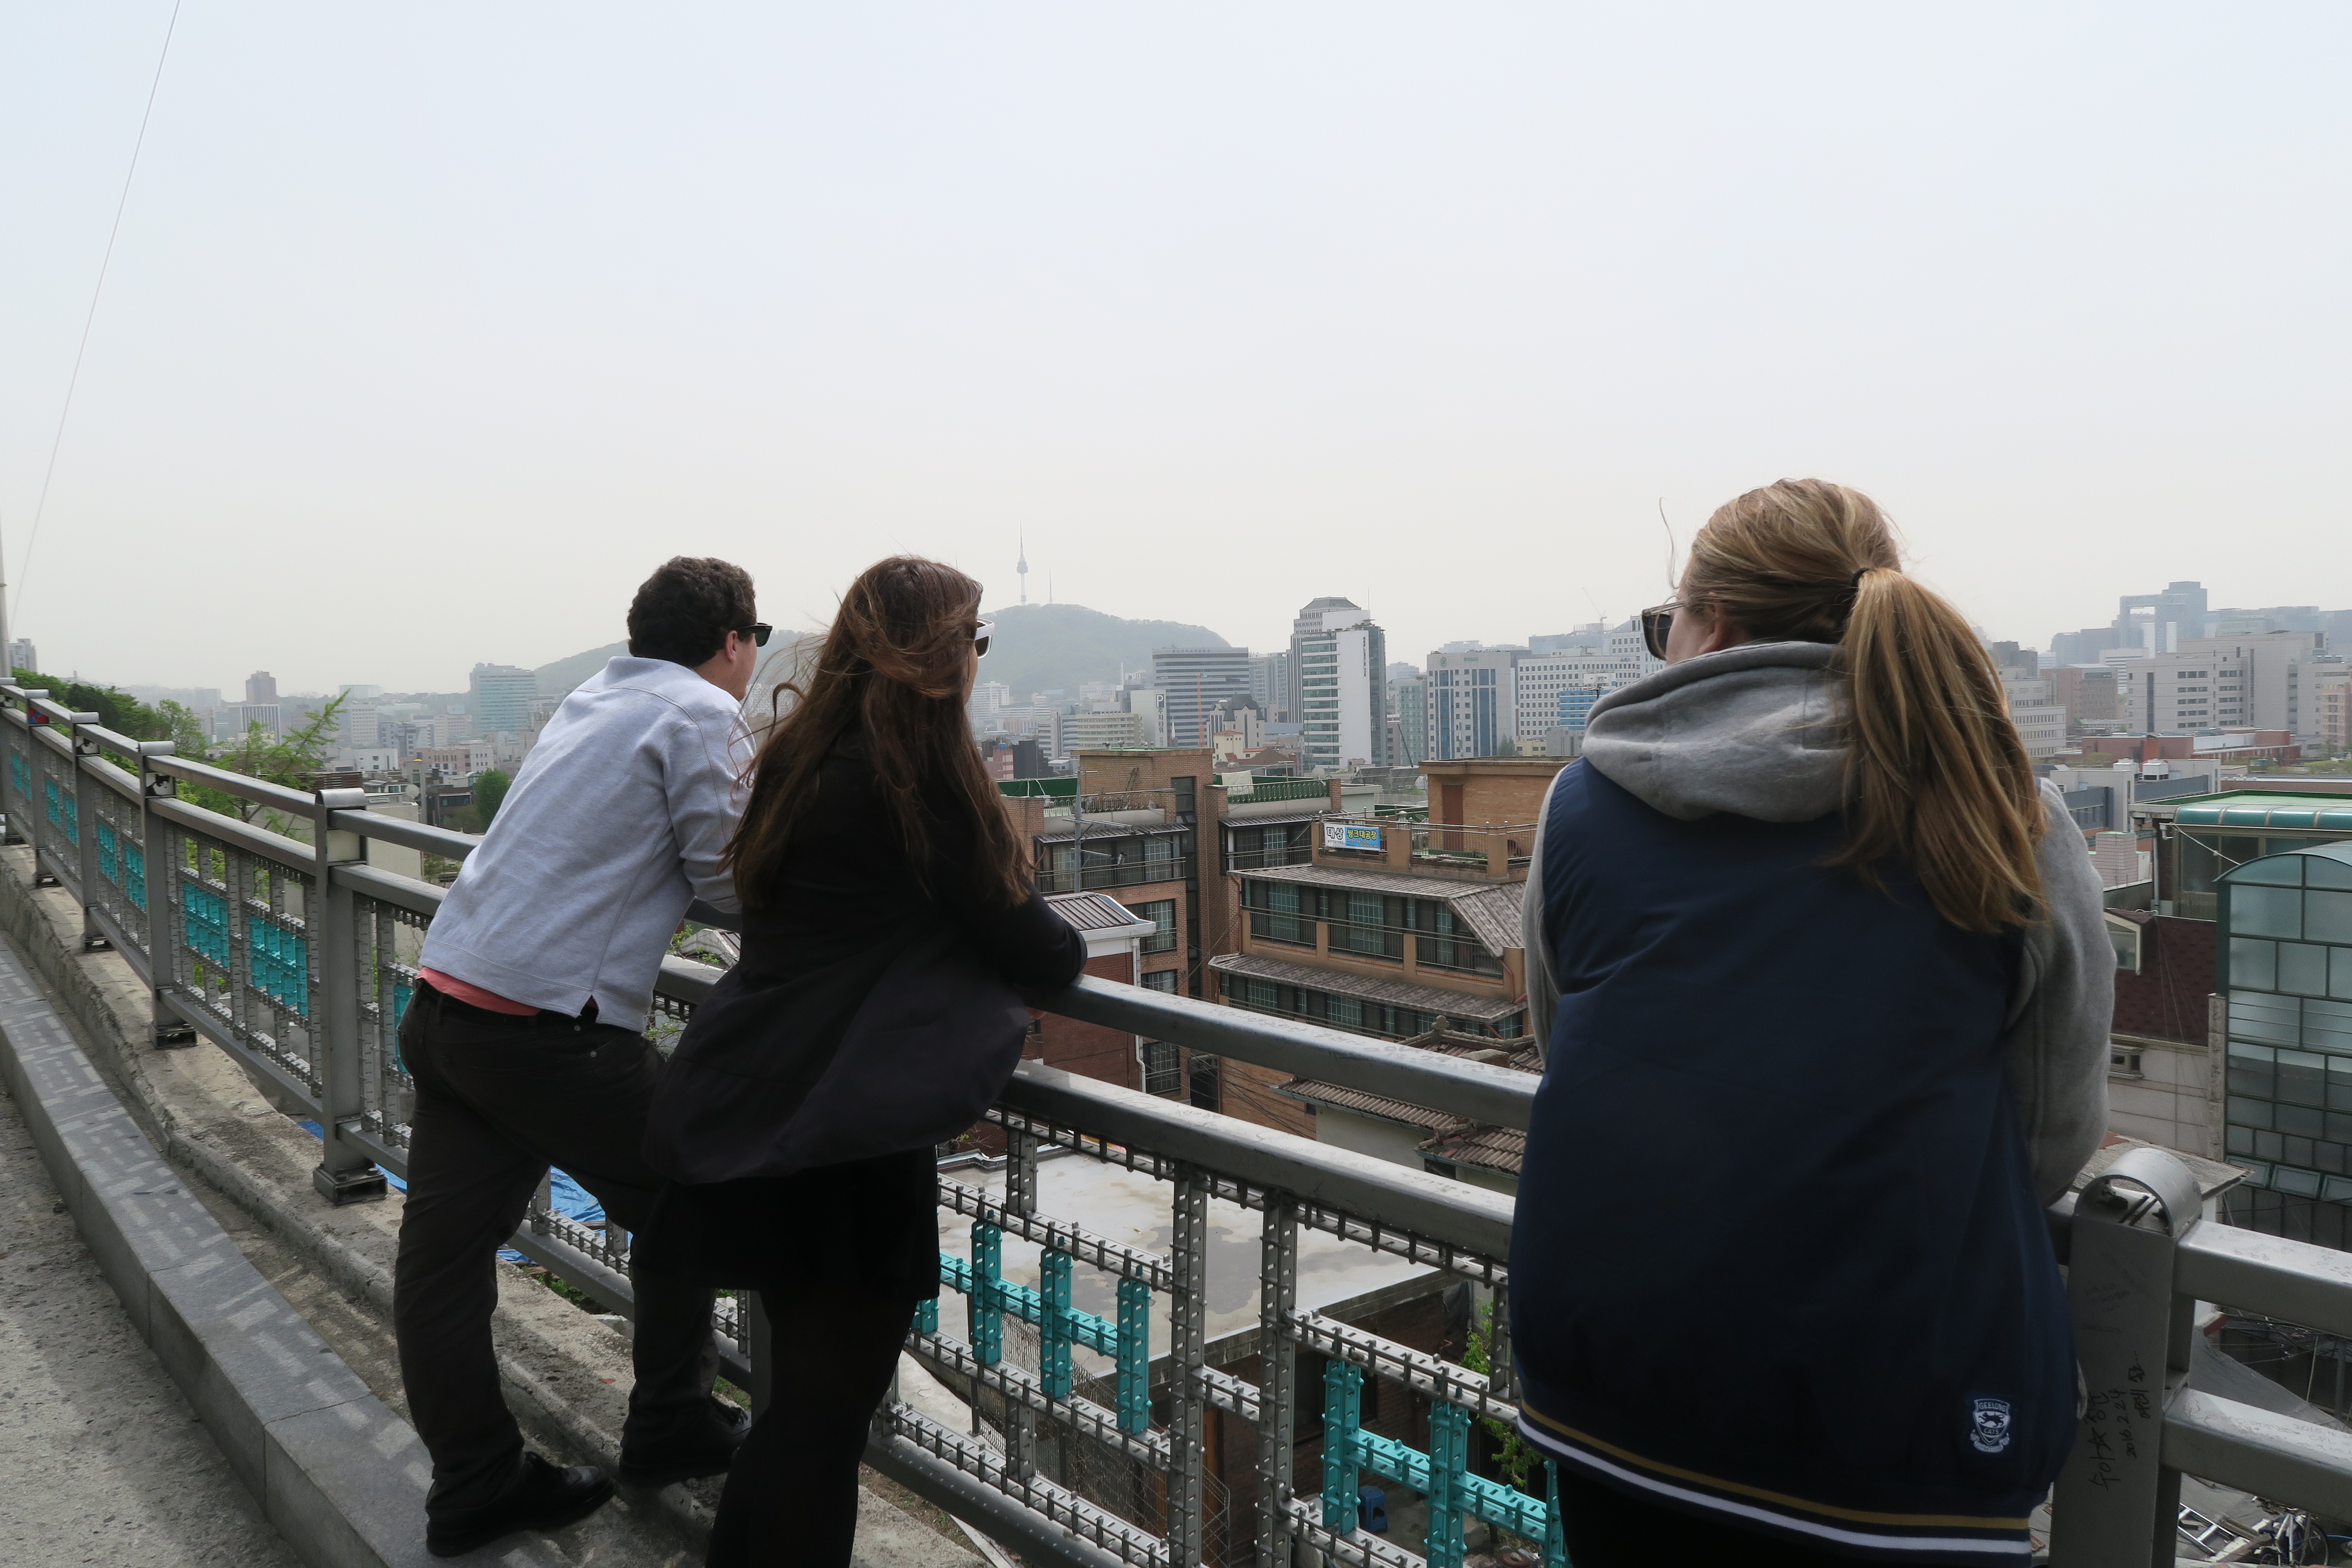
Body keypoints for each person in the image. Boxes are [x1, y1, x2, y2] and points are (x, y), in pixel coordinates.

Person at [1509, 481, 2110, 1567]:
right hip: (1902, 1436)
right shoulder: (2003, 811)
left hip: (1619, 1399)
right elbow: (2050, 1132)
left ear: (1713, 625)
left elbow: (1574, 1051)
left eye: (1664, 623)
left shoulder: (1583, 805)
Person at [634, 555, 1085, 1568]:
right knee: (822, 1426)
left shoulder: (799, 761)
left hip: (765, 1099)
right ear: (940, 658)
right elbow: (1045, 952)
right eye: (974, 641)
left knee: (799, 1411)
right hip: (850, 1130)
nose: (978, 660)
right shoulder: (917, 783)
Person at [395, 556, 767, 1558]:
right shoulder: (702, 712)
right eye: (756, 642)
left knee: (441, 1268)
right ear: (732, 642)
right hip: (549, 1033)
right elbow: (732, 885)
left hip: (445, 1007)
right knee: (693, 1198)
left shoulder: (590, 700)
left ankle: (473, 1484)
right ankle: (672, 1422)